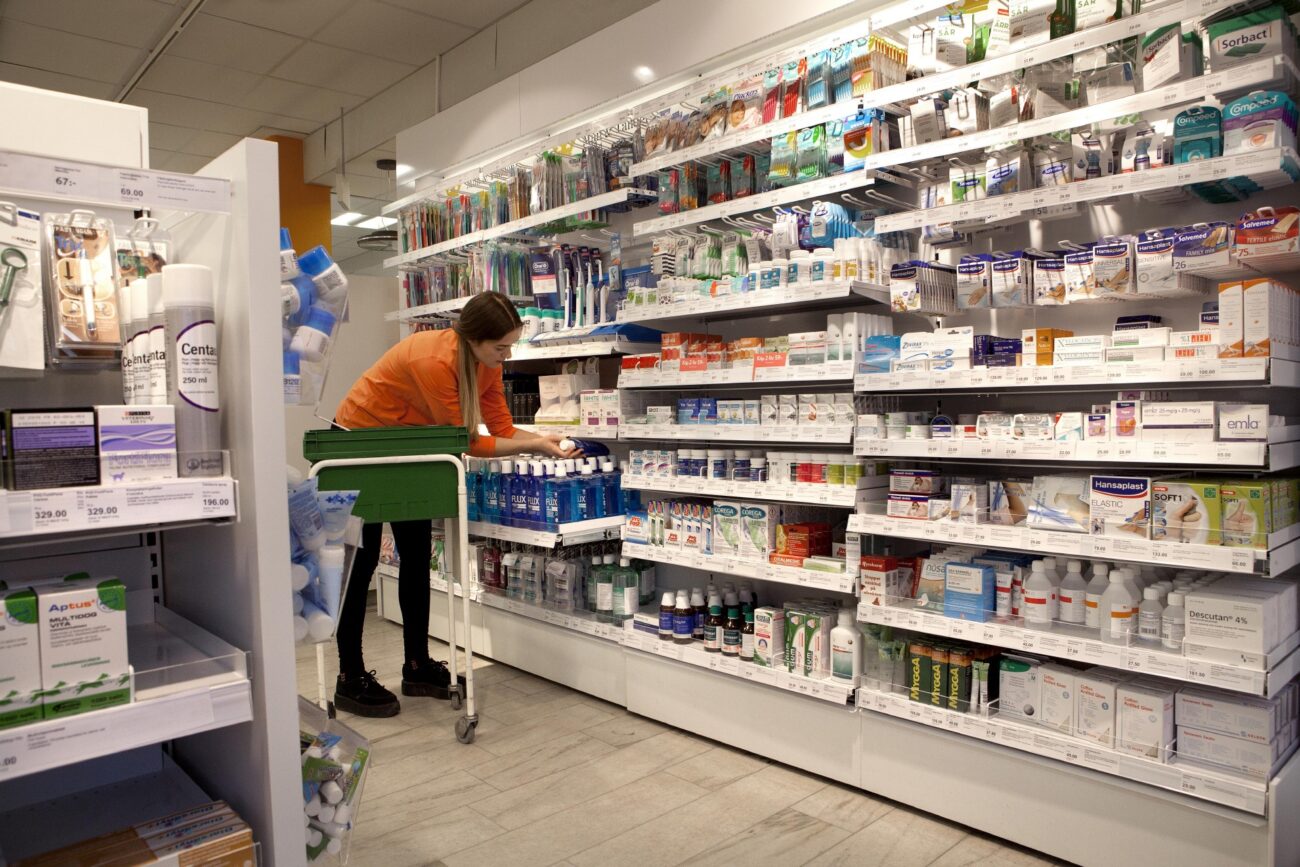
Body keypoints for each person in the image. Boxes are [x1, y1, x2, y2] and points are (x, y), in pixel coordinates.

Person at [332, 291, 576, 717]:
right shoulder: (433, 359)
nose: (507, 355)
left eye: (511, 345)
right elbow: (465, 441)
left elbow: (501, 428)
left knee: (415, 554)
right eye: (501, 347)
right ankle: (349, 678)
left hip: (409, 447)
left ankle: (416, 665)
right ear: (473, 339)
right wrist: (535, 444)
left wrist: (542, 440)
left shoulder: (487, 364)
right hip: (359, 441)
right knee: (361, 560)